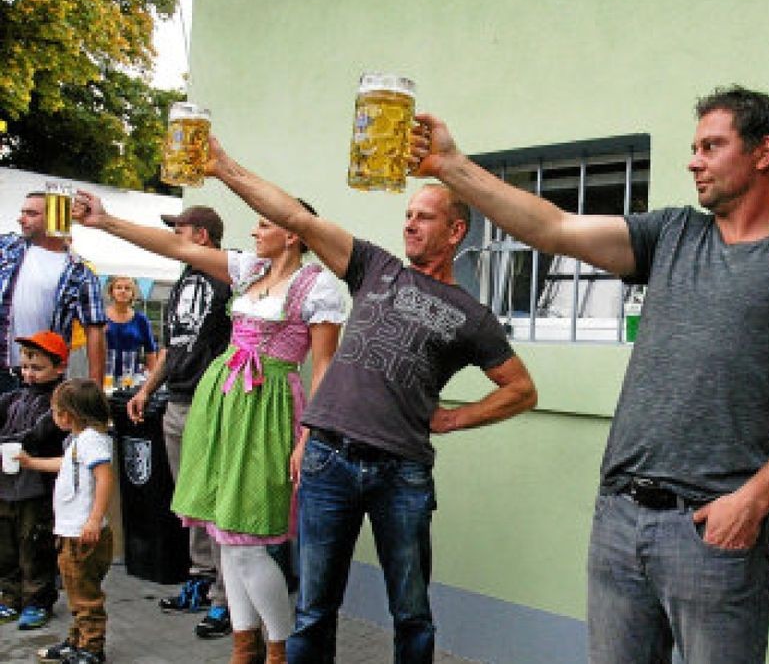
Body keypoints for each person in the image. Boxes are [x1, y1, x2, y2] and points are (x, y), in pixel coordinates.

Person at [411, 85, 769, 663]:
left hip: (714, 532)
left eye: (711, 145)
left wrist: (754, 501)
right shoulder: (672, 234)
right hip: (620, 522)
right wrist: (451, 166)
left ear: (763, 152)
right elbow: (552, 228)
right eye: (693, 146)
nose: (692, 159)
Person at [195, 136, 537, 664]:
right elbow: (298, 219)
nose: (410, 224)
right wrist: (222, 168)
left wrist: (456, 419)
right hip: (329, 458)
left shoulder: (471, 315)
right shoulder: (375, 267)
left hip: (402, 473)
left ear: (455, 231)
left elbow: (521, 389)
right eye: (407, 214)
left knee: (411, 613)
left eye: (424, 216)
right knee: (313, 609)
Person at [72, 190, 347, 663]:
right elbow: (178, 248)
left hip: (267, 410)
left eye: (264, 223)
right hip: (220, 405)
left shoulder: (317, 286)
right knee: (224, 538)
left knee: (246, 544)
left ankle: (280, 651)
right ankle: (245, 649)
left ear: (293, 233)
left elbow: (323, 367)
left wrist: (311, 434)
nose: (255, 231)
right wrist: (106, 222)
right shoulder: (249, 271)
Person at [125, 206, 235, 639]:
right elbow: (172, 348)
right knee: (190, 501)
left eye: (181, 230)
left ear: (203, 236)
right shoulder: (183, 282)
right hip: (178, 402)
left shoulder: (228, 275)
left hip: (215, 404)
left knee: (217, 503)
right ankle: (201, 582)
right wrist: (147, 390)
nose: (174, 236)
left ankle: (228, 601)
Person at [19, 378, 115, 664]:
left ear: (70, 415)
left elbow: (104, 477)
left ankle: (92, 648)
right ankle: (78, 640)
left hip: (81, 534)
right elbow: (66, 463)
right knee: (77, 592)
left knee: (85, 596)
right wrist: (31, 463)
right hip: (71, 532)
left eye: (55, 411)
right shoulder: (79, 442)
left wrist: (94, 519)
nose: (52, 415)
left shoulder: (91, 441)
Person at [0, 193, 105, 393]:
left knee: (34, 423)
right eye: (22, 212)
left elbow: (95, 330)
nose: (21, 218)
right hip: (3, 369)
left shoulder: (79, 272)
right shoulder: (8, 248)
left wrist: (96, 390)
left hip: (42, 379)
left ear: (54, 217)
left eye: (31, 213)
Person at [0, 331, 69, 631]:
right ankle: (10, 595)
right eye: (25, 367)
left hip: (37, 487)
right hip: (6, 485)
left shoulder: (58, 402)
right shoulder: (13, 396)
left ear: (58, 367)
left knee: (34, 544)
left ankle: (38, 599)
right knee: (6, 546)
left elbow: (36, 435)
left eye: (36, 368)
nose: (28, 373)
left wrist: (4, 443)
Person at [103, 275, 160, 380]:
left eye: (127, 288)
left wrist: (152, 381)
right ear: (111, 292)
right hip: (104, 375)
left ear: (133, 294)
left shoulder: (141, 319)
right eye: (119, 287)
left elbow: (150, 352)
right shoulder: (100, 317)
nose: (123, 291)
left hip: (131, 377)